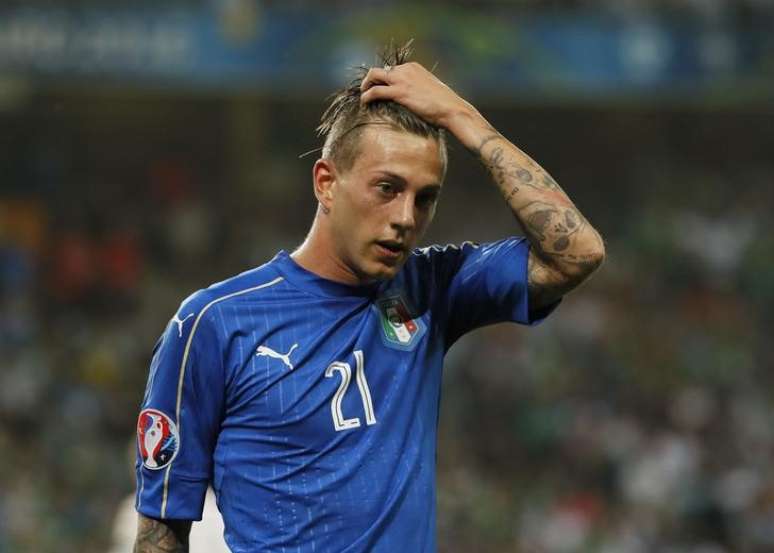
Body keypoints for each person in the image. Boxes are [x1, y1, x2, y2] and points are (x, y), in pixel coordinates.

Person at [133, 43, 605, 552]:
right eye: (387, 188)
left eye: (425, 198)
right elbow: (161, 532)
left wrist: (460, 116)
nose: (406, 217)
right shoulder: (214, 323)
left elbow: (577, 253)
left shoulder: (432, 288)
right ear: (326, 183)